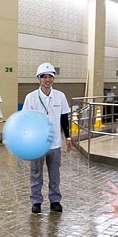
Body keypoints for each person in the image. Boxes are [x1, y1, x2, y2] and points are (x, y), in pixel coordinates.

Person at [22, 62, 72, 213]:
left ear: (53, 79)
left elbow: (64, 119)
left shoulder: (60, 96)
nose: (47, 79)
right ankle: (36, 201)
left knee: (55, 174)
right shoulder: (31, 98)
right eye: (44, 76)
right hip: (37, 144)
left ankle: (55, 200)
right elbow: (26, 120)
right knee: (36, 173)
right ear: (39, 78)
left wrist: (68, 138)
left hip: (55, 143)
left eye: (50, 76)